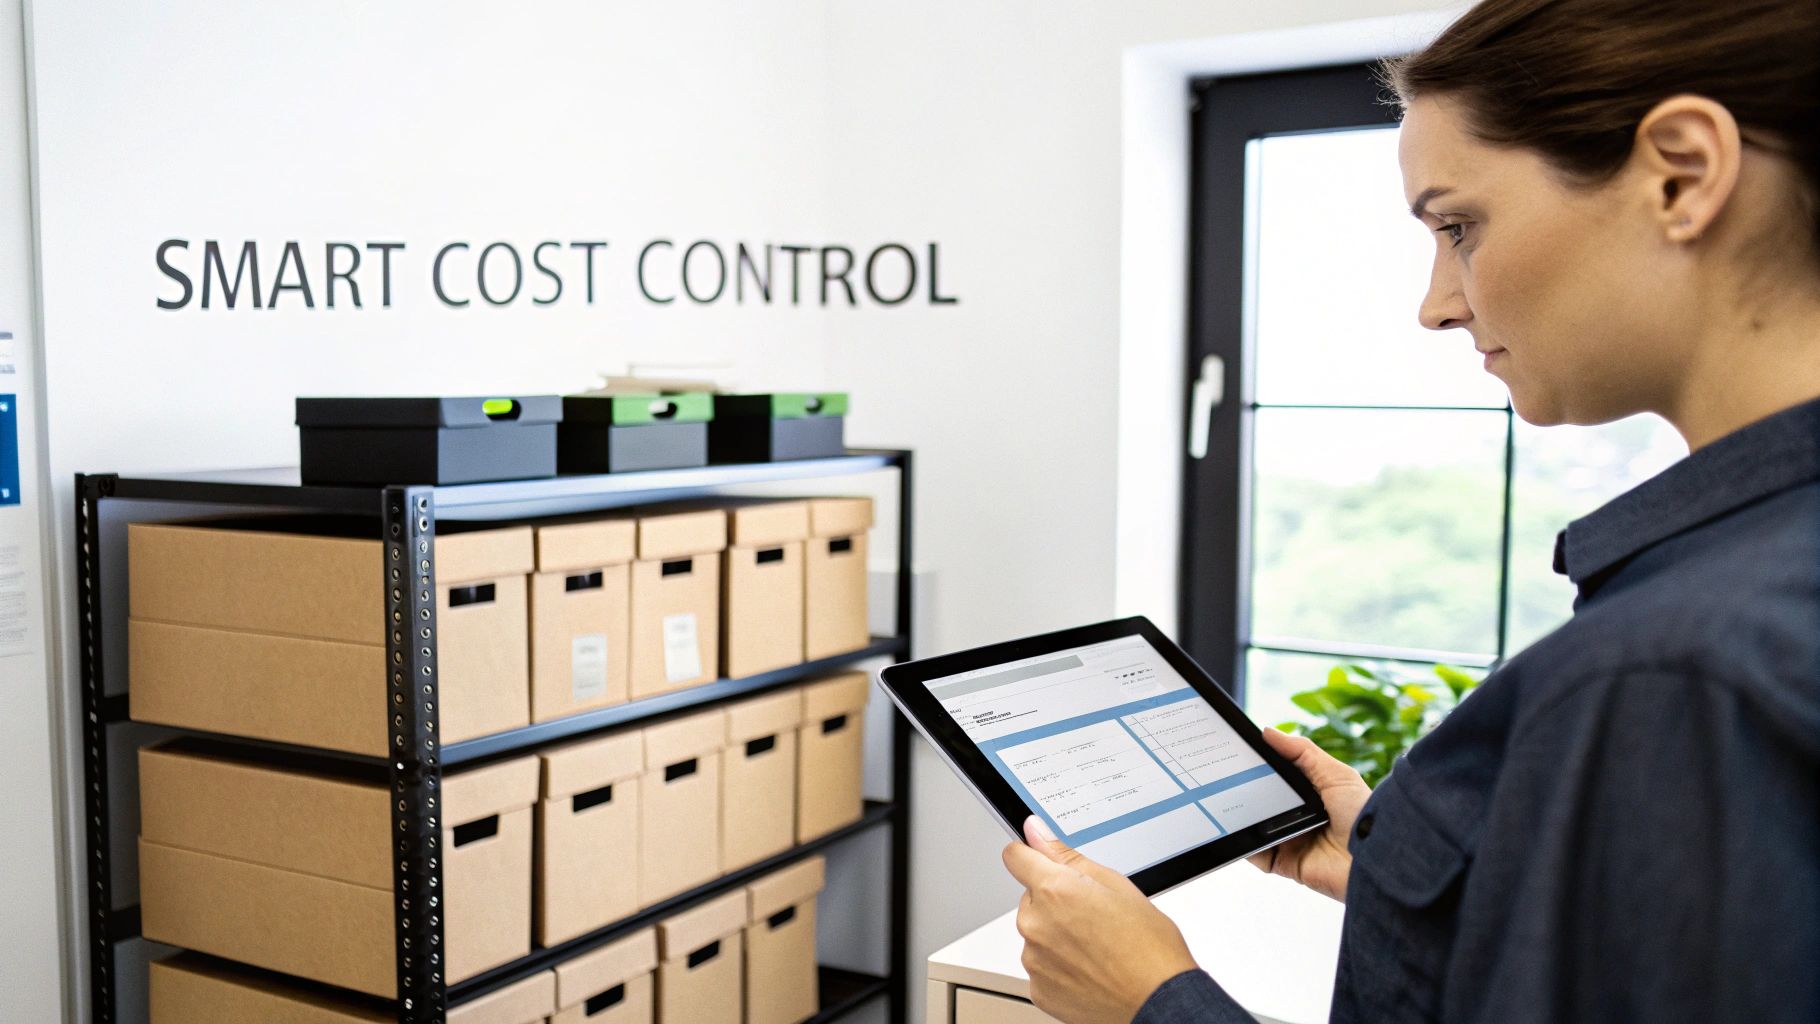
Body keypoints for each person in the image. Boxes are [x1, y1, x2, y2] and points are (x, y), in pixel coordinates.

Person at [1000, 0, 1820, 1020]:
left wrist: (1148, 998)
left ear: (1682, 174)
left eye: (1458, 227)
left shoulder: (1673, 670)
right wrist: (1402, 865)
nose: (1436, 304)